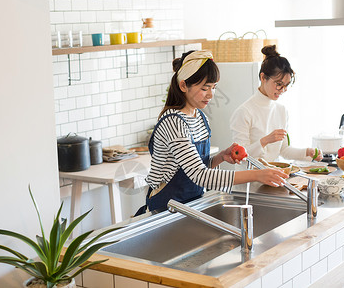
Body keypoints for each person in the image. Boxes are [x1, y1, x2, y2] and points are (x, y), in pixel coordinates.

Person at [135, 50, 289, 215]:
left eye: (214, 87)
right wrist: (257, 175)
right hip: (165, 209)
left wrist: (221, 157)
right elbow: (200, 175)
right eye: (204, 88)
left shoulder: (200, 117)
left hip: (190, 205)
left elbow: (196, 167)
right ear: (183, 85)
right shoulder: (174, 122)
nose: (211, 94)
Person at [230, 45, 323, 163]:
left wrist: (306, 152)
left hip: (273, 176)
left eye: (286, 85)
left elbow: (284, 150)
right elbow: (239, 156)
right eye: (279, 84)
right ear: (263, 77)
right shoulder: (244, 112)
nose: (283, 90)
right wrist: (265, 141)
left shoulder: (281, 110)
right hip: (250, 180)